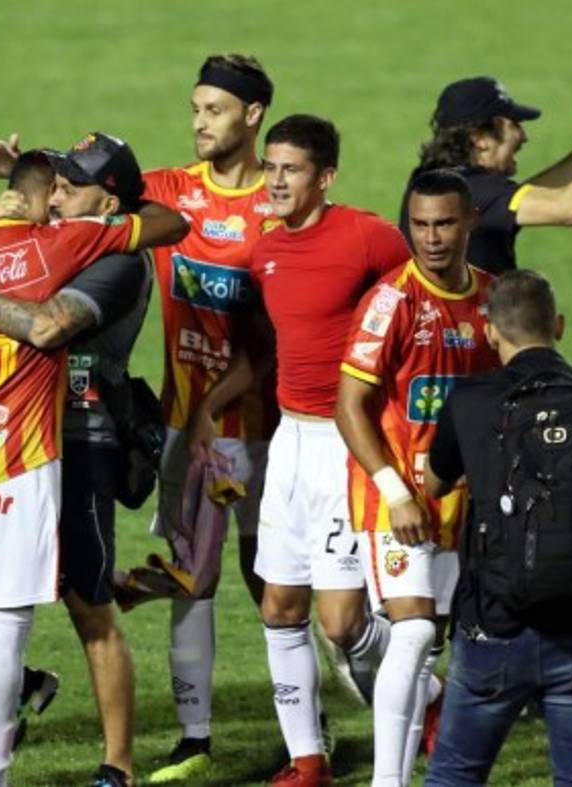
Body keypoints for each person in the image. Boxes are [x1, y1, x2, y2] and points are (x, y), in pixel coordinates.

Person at [0, 54, 281, 781]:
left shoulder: (283, 197)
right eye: (195, 107)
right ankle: (195, 737)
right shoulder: (175, 190)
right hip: (187, 423)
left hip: (274, 420)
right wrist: (24, 176)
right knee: (192, 578)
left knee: (271, 579)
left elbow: (278, 328)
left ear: (253, 115)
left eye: (214, 109)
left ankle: (327, 719)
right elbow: (102, 197)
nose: (200, 122)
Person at [0, 134, 187, 787]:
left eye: (73, 183)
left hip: (78, 445)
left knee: (87, 605)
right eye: (55, 181)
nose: (59, 192)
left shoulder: (113, 260)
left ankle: (116, 763)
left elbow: (48, 325)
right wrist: (24, 185)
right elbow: (33, 248)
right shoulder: (58, 236)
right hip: (12, 440)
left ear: (109, 198)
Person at [188, 114, 410, 785]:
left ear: (326, 178)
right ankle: (307, 758)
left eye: (292, 170)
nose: (276, 181)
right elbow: (265, 349)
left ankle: (425, 692)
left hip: (349, 443)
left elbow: (415, 314)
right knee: (279, 605)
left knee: (341, 623)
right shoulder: (264, 252)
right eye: (273, 168)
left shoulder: (369, 238)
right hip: (289, 443)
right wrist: (212, 401)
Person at [421, 270, 572, 786]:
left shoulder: (471, 402)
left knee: (455, 775)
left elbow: (434, 484)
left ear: (490, 333)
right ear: (559, 326)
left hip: (495, 629)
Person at [334, 170, 500, 786]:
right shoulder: (391, 303)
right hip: (395, 499)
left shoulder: (492, 299)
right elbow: (348, 406)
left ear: (470, 223)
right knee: (414, 632)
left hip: (463, 501)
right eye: (420, 225)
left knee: (433, 641)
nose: (431, 238)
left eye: (445, 224)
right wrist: (397, 491)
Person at [400, 76, 572, 274]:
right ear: (480, 138)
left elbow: (522, 196)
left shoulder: (433, 179)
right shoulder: (471, 193)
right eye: (513, 125)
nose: (523, 135)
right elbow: (570, 208)